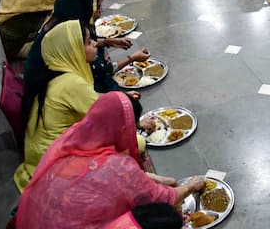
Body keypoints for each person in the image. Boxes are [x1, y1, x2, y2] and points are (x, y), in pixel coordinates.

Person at [15, 92, 206, 228]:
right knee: (162, 218)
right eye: (133, 127)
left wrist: (154, 179)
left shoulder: (73, 136)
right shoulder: (118, 167)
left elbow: (107, 179)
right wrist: (189, 186)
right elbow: (159, 198)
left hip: (35, 219)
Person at [13, 19, 99, 192]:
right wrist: (138, 138)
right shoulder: (72, 84)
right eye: (89, 42)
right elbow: (106, 118)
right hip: (55, 173)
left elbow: (95, 101)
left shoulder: (50, 75)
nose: (96, 44)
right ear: (72, 50)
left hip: (37, 164)